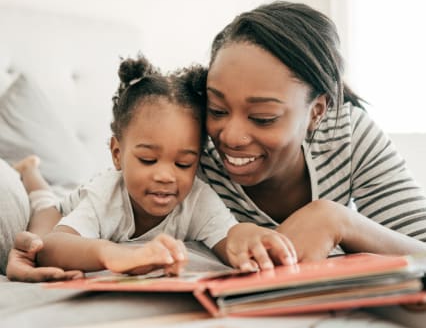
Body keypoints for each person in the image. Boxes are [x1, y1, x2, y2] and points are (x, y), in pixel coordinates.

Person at [6, 1, 426, 282]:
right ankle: (32, 173)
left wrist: (340, 221)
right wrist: (37, 244)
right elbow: (99, 211)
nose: (229, 136)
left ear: (317, 110)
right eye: (217, 109)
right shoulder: (185, 152)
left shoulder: (350, 134)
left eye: (262, 116)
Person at [6, 55, 296, 281]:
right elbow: (55, 246)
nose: (165, 176)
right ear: (118, 154)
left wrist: (249, 236)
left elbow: (228, 235)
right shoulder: (105, 196)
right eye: (148, 160)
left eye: (184, 163)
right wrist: (112, 254)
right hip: (66, 206)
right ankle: (31, 171)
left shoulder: (198, 198)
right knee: (42, 217)